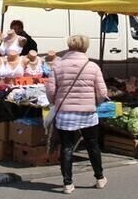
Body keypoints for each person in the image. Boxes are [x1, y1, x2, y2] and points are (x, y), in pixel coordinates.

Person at [46, 34, 108, 194]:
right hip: (88, 113)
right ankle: (99, 178)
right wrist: (96, 103)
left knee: (66, 147)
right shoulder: (92, 66)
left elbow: (51, 91)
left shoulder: (57, 66)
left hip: (65, 113)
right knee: (92, 145)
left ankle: (68, 184)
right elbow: (102, 92)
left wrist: (55, 101)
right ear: (85, 47)